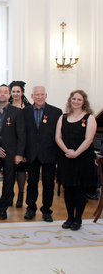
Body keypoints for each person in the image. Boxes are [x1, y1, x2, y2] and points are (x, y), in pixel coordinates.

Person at [56, 90, 96, 230]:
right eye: (74, 99)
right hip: (66, 157)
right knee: (68, 189)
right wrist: (67, 151)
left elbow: (89, 139)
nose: (76, 102)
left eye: (79, 99)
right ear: (70, 100)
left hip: (82, 158)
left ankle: (78, 219)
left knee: (79, 189)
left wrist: (77, 153)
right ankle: (69, 218)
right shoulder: (63, 117)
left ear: (84, 102)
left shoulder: (89, 118)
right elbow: (58, 137)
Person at [0, 84, 26, 220]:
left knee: (8, 181)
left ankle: (3, 208)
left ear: (9, 95)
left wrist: (19, 154)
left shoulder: (17, 112)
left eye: (5, 92)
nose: (2, 94)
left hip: (11, 153)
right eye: (0, 92)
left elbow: (21, 134)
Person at [23, 86, 62, 222]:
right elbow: (23, 135)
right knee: (32, 182)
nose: (39, 97)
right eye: (37, 95)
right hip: (31, 153)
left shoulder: (56, 112)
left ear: (46, 95)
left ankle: (46, 210)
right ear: (32, 96)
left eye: (42, 94)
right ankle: (31, 208)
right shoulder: (25, 112)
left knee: (48, 183)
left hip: (49, 153)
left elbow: (59, 135)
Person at [9, 80, 31, 207]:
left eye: (18, 91)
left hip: (24, 144)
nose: (16, 94)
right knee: (10, 171)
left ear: (22, 92)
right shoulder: (6, 106)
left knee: (21, 171)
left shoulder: (28, 108)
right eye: (13, 91)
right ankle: (9, 195)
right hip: (10, 144)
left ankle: (21, 195)